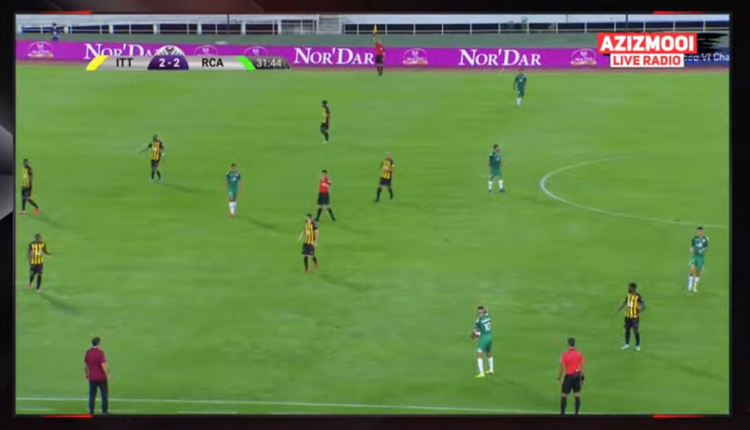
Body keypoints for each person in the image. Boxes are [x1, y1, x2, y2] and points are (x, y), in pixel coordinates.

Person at [558, 337, 585, 415]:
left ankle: (562, 414)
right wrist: (582, 378)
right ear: (574, 344)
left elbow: (562, 367)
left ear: (568, 344)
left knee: (564, 395)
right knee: (577, 395)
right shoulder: (579, 354)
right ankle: (576, 413)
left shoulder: (565, 355)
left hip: (569, 377)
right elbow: (582, 367)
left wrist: (559, 378)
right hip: (577, 376)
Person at [617, 282, 645, 351]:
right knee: (627, 329)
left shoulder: (638, 296)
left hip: (634, 316)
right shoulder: (628, 295)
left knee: (635, 330)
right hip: (627, 316)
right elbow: (625, 302)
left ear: (633, 288)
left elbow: (643, 306)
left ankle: (637, 345)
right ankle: (627, 344)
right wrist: (620, 308)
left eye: (630, 287)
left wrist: (639, 310)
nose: (628, 288)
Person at [85, 337, 109, 415]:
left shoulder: (88, 352)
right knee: (104, 395)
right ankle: (104, 412)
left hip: (92, 378)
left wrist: (86, 374)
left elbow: (85, 364)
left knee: (92, 395)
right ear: (98, 343)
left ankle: (91, 411)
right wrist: (107, 373)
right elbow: (103, 364)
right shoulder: (100, 353)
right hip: (101, 378)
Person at [472, 305, 493, 378]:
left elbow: (475, 332)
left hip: (484, 338)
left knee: (479, 354)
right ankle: (491, 370)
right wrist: (484, 309)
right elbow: (486, 309)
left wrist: (474, 336)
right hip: (490, 336)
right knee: (488, 352)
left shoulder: (478, 321)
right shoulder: (487, 316)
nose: (479, 314)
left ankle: (481, 373)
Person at [687, 226, 709, 292]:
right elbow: (692, 246)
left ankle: (694, 287)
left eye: (701, 231)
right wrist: (691, 249)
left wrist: (702, 250)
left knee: (698, 273)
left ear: (702, 232)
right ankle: (689, 286)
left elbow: (706, 248)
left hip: (701, 258)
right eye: (698, 231)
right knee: (691, 271)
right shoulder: (694, 238)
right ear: (697, 232)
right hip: (695, 256)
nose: (699, 232)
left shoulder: (705, 239)